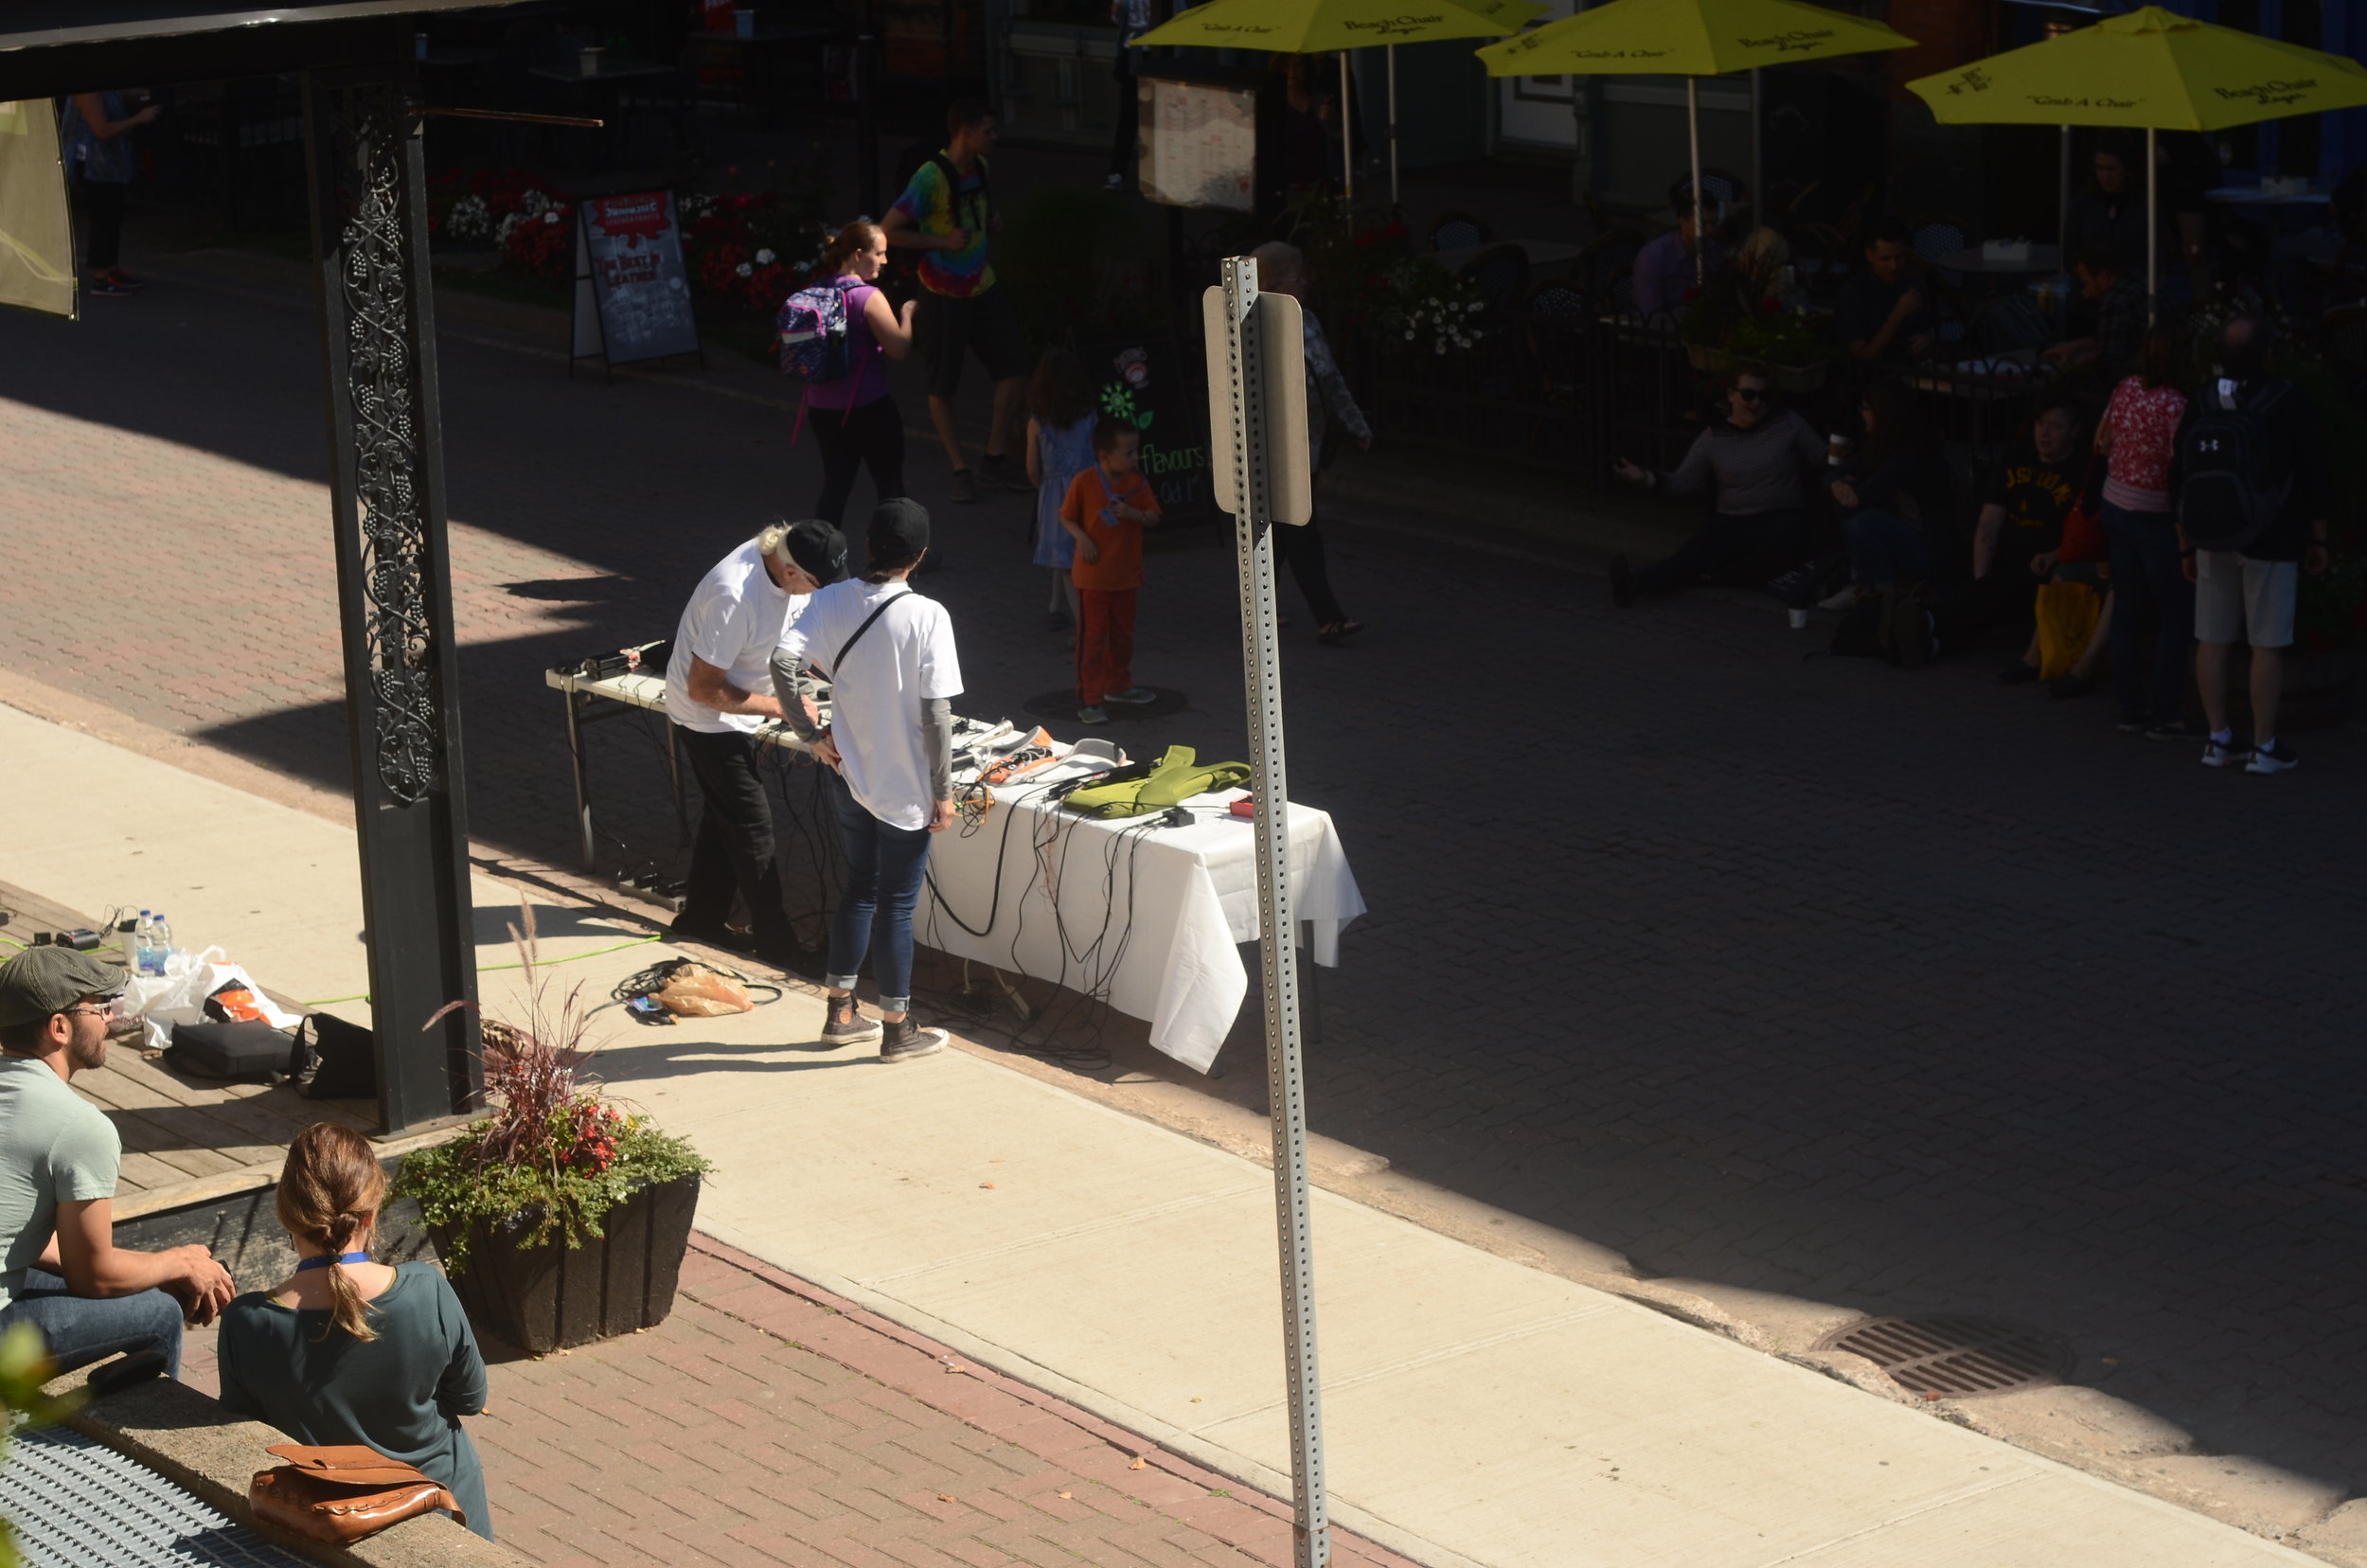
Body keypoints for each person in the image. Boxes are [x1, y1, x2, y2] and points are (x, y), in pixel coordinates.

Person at [216, 1124, 493, 1542]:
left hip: (328, 1521)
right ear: (371, 1212)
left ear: (287, 1214)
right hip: (445, 1510)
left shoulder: (246, 1320)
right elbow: (470, 1397)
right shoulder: (426, 1289)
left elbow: (248, 1434)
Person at [769, 500, 962, 1063]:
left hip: (849, 770)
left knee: (859, 887)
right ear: (919, 557)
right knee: (897, 905)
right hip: (906, 785)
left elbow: (783, 664)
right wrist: (944, 791)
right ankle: (899, 1028)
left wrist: (808, 733)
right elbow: (936, 716)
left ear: (870, 547)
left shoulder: (828, 599)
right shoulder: (928, 615)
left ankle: (841, 1013)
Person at [0, 947, 234, 1377]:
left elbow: (19, 1238)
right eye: (100, 1008)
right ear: (59, 1027)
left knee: (136, 1287)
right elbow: (94, 1279)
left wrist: (150, 1270)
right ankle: (140, 1439)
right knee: (160, 1313)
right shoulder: (77, 1127)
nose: (109, 1018)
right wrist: (179, 1262)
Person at [663, 520, 847, 971]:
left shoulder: (782, 560)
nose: (817, 595)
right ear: (790, 573)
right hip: (708, 718)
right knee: (751, 825)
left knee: (724, 817)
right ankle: (776, 943)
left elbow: (794, 637)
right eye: (816, 586)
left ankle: (700, 921)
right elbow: (703, 689)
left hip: (738, 706)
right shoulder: (735, 595)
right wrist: (780, 707)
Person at [2177, 317, 2330, 774]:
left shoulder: (2203, 400)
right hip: (2272, 535)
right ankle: (2265, 747)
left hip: (2209, 535)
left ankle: (2218, 739)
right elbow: (2314, 473)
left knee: (2212, 638)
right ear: (2268, 354)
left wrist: (2185, 543)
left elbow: (2178, 475)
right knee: (2267, 645)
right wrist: (2319, 537)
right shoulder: (2287, 399)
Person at [884, 100, 1030, 505]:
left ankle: (994, 457)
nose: (995, 138)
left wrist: (991, 224)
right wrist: (939, 241)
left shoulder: (980, 168)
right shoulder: (930, 177)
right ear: (966, 132)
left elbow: (976, 214)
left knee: (1016, 368)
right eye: (988, 130)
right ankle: (959, 468)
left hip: (982, 286)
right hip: (942, 293)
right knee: (942, 385)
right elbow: (888, 230)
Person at [1608, 365, 1823, 604]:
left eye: (1764, 396)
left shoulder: (1786, 423)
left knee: (1784, 537)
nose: (1756, 403)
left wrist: (1838, 476)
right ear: (1731, 394)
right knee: (1691, 557)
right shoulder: (1714, 437)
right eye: (1748, 395)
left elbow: (1821, 457)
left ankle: (1715, 577)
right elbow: (1683, 481)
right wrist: (1644, 477)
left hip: (1778, 517)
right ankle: (1632, 584)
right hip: (1732, 519)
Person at [1247, 241, 1367, 643]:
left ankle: (1258, 605)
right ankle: (1328, 616)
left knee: (1282, 529)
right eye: (1297, 277)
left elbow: (1328, 379)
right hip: (1275, 447)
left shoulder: (1306, 319)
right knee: (1301, 526)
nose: (1305, 283)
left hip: (1308, 440)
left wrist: (1355, 423)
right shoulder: (1252, 326)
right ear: (1272, 283)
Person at [2098, 324, 2195, 736]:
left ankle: (2130, 708)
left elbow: (2102, 442)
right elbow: (2182, 465)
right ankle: (2166, 710)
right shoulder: (2177, 405)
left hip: (2115, 502)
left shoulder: (2126, 388)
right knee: (2176, 612)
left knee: (2127, 607)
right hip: (2154, 512)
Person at [806, 220, 917, 526]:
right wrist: (907, 315)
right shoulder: (867, 296)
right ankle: (900, 553)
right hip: (868, 407)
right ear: (857, 254)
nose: (885, 260)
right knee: (890, 486)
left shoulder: (817, 291)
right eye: (879, 253)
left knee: (836, 485)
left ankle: (820, 560)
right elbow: (899, 349)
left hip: (822, 408)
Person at [1059, 415, 1163, 725]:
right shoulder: (1085, 482)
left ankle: (1118, 685)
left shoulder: (1137, 483)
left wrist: (1134, 514)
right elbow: (1066, 517)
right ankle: (1089, 698)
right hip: (1094, 580)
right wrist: (1083, 539)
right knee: (1091, 639)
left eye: (1135, 451)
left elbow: (1156, 516)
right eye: (1128, 453)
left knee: (1122, 637)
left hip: (1126, 577)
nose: (1135, 458)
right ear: (1105, 455)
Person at [1972, 395, 2087, 636]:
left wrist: (2056, 555)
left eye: (2056, 427)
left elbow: (2086, 533)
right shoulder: (2015, 459)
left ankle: (1922, 626)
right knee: (1972, 597)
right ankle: (1920, 625)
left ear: (2074, 431)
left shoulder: (2082, 472)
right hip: (2005, 561)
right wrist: (1981, 578)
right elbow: (1989, 523)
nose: (2044, 434)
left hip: (2042, 568)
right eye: (2040, 424)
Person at [1833, 382, 1955, 597]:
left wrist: (1848, 489)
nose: (1862, 414)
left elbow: (1857, 502)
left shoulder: (1909, 457)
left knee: (1861, 521)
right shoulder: (1879, 446)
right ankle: (1862, 584)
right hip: (1901, 534)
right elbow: (1835, 471)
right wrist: (1837, 483)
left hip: (1927, 550)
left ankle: (1883, 591)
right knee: (1856, 517)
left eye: (1866, 408)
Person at [1025, 347, 1098, 633]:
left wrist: (1042, 486)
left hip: (1056, 495)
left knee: (1064, 558)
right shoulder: (1090, 416)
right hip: (1089, 491)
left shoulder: (1037, 422)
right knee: (1073, 552)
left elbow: (1032, 468)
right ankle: (1056, 604)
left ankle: (1085, 628)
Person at [60, 91, 159, 297]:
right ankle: (101, 277)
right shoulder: (87, 93)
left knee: (113, 215)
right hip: (93, 164)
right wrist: (139, 119)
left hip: (111, 162)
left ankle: (111, 268)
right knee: (103, 217)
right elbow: (101, 130)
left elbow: (121, 98)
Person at [1835, 220, 1935, 365]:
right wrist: (1898, 314)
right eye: (1885, 259)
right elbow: (1862, 356)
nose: (1893, 266)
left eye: (1899, 257)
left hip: (1912, 367)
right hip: (1873, 376)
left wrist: (1927, 339)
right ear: (1870, 255)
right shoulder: (1854, 293)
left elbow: (1924, 328)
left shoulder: (1912, 281)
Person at [2042, 246, 2145, 380]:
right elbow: (2117, 336)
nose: (2086, 291)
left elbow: (2109, 364)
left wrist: (2082, 364)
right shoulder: (2138, 288)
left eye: (2086, 282)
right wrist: (2077, 346)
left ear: (2103, 277)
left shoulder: (2114, 303)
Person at [1632, 191, 1726, 322]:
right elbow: (1650, 317)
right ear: (1683, 222)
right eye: (1703, 224)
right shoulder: (1653, 258)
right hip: (1666, 333)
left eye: (1714, 223)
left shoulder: (1713, 250)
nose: (1710, 230)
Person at [1108, 0, 1152, 190]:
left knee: (1152, 115)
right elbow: (1118, 18)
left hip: (1152, 51)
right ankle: (1117, 172)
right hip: (1133, 49)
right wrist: (1117, 13)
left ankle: (1151, 172)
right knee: (1128, 114)